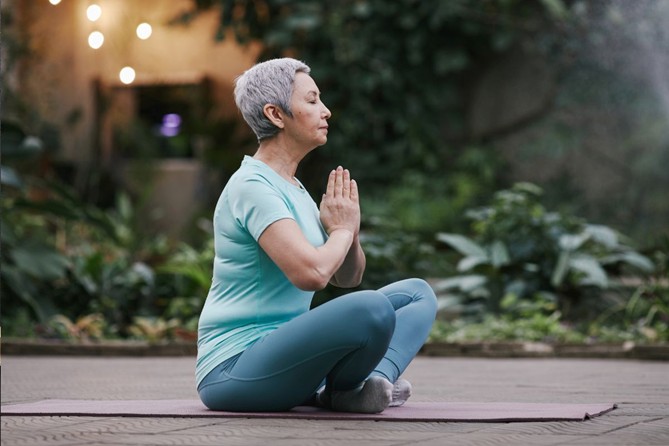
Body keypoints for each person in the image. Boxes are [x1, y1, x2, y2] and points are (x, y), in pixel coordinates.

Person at [196, 58, 437, 414]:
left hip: (287, 360)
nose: (326, 111)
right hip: (234, 369)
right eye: (312, 101)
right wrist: (339, 230)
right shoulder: (252, 186)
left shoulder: (293, 187)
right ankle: (341, 391)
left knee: (417, 294)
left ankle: (365, 386)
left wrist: (349, 230)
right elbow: (311, 275)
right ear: (276, 115)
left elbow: (346, 277)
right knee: (371, 308)